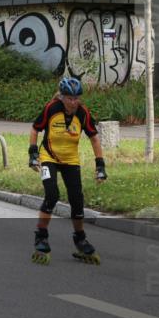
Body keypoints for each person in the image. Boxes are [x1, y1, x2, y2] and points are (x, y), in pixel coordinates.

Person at [29, 76, 107, 265]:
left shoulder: (83, 113)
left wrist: (100, 166)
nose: (73, 102)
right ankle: (41, 235)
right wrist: (33, 154)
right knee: (52, 194)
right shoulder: (51, 108)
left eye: (77, 98)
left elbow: (94, 138)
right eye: (69, 98)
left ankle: (80, 239)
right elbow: (35, 129)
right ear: (62, 97)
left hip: (70, 159)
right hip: (48, 157)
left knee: (77, 199)